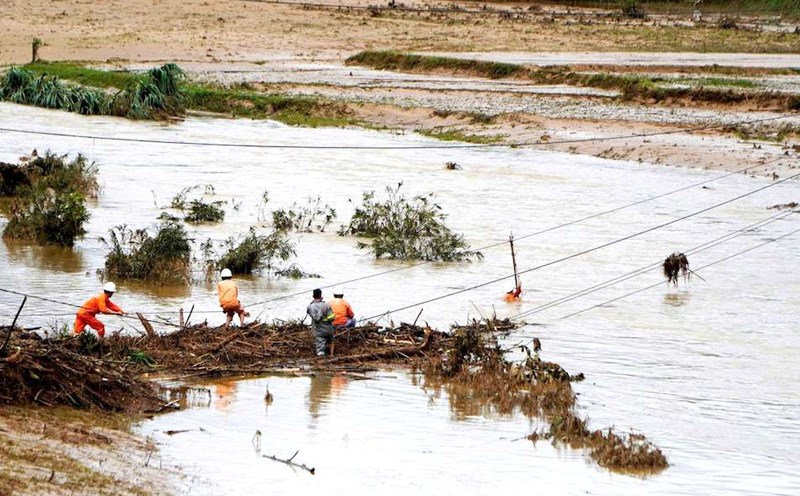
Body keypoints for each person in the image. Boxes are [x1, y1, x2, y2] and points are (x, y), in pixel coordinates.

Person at [306, 288, 335, 356]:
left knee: (319, 344)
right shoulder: (326, 305)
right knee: (331, 340)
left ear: (313, 296)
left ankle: (321, 355)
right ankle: (331, 354)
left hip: (318, 331)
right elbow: (332, 318)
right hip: (328, 329)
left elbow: (312, 315)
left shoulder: (310, 307)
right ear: (321, 295)